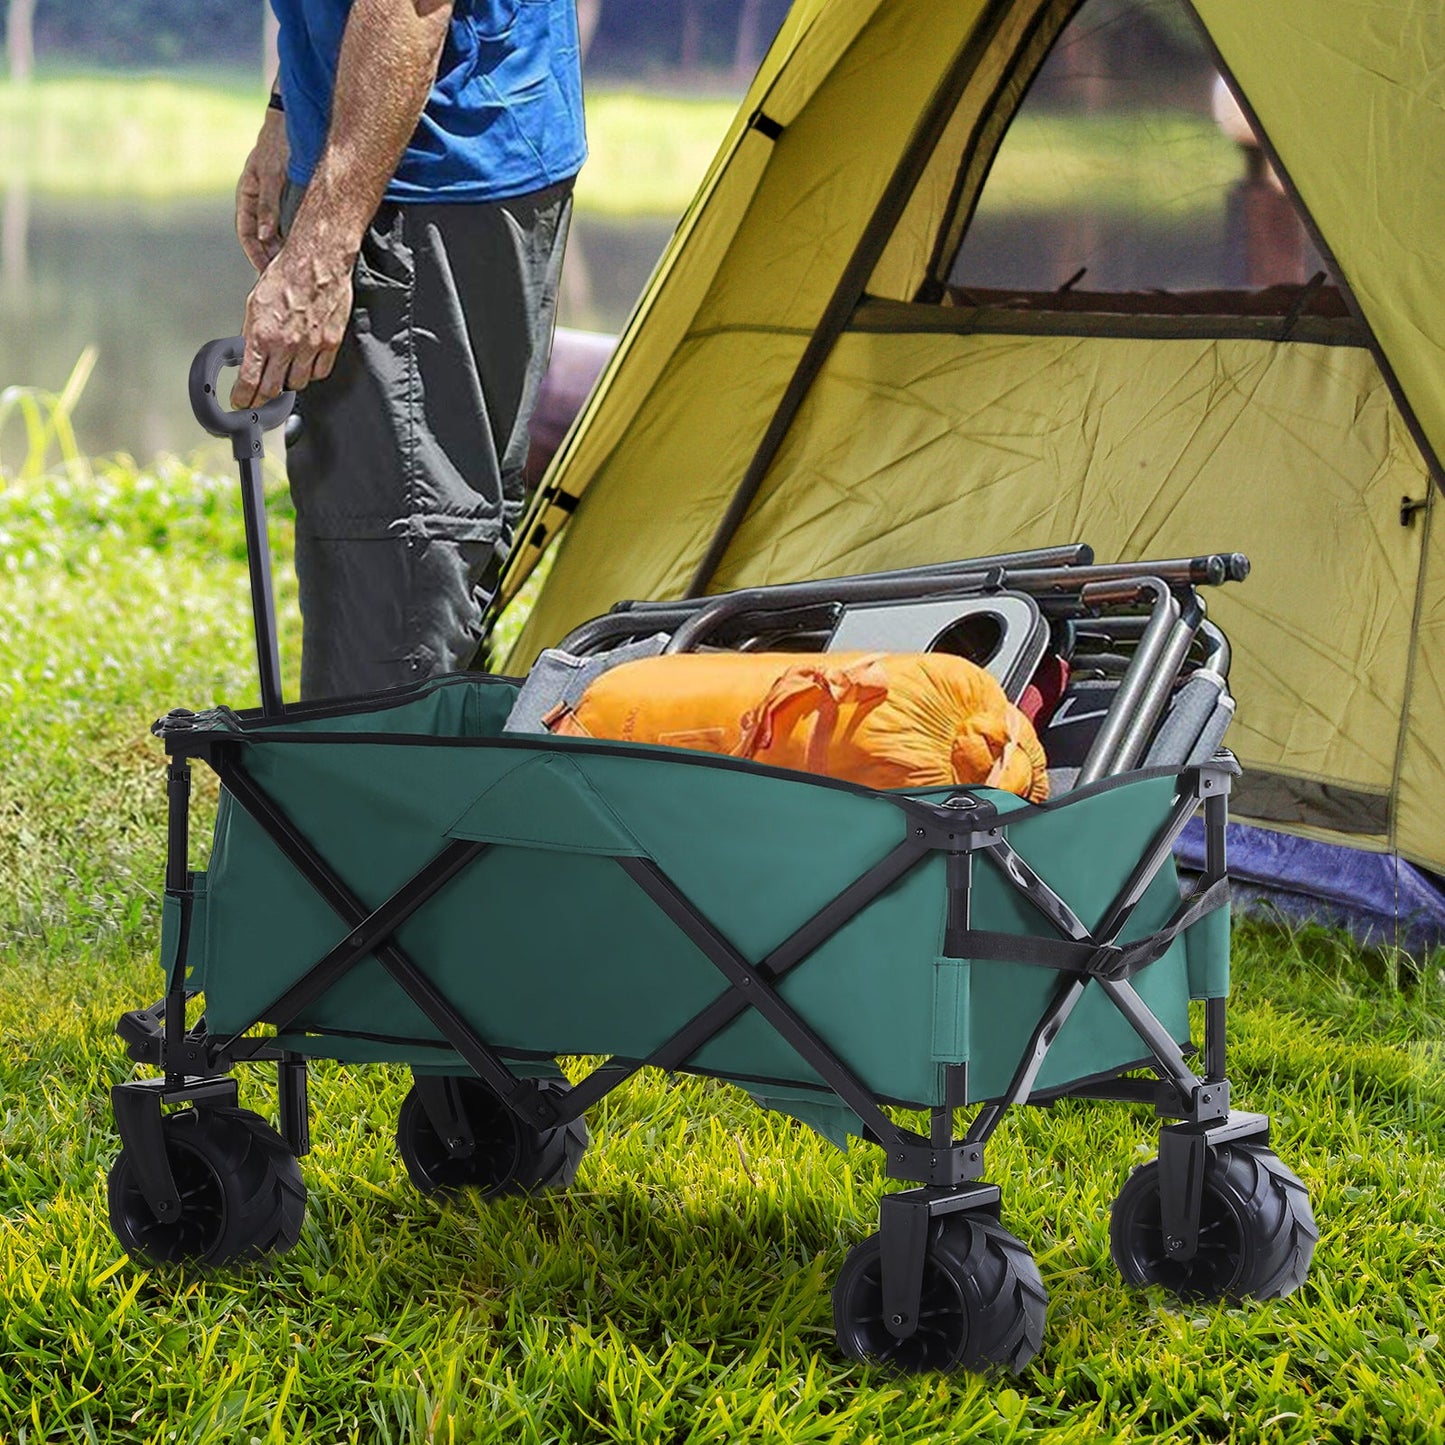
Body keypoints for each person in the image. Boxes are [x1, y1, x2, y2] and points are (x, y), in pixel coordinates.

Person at [231, 0, 585, 699]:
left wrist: (323, 250)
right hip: (435, 147)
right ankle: (423, 779)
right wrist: (285, 108)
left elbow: (405, 9)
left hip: (423, 178)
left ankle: (375, 794)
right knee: (435, 537)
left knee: (399, 555)